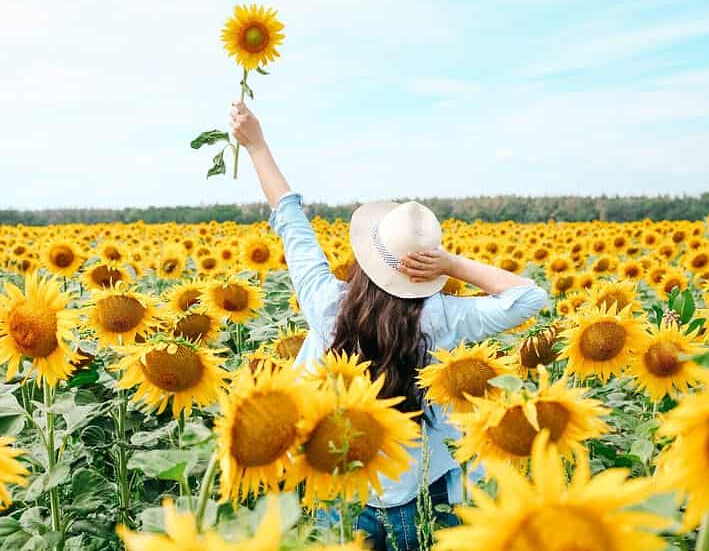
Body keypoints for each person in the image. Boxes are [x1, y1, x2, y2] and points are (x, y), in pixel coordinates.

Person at [229, 100, 549, 551]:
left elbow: (291, 221)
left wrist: (257, 146)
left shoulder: (327, 303)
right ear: (427, 266)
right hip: (416, 494)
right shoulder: (443, 317)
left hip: (338, 488)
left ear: (365, 257)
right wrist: (452, 265)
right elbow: (529, 297)